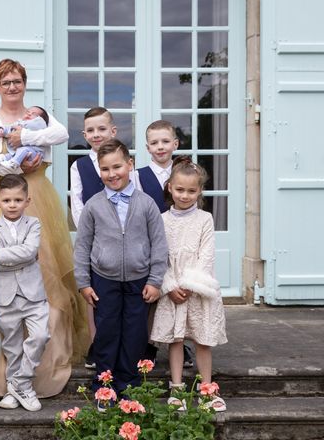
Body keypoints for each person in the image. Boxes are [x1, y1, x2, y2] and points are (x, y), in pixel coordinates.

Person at [0, 58, 88, 406]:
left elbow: (60, 135)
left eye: (17, 81)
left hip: (35, 199)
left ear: (25, 83)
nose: (12, 87)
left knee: (43, 280)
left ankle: (35, 372)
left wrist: (28, 137)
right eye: (5, 82)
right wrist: (14, 161)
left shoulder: (38, 116)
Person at [73, 139, 168, 406]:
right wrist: (83, 282)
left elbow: (159, 245)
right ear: (99, 171)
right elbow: (82, 246)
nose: (112, 174)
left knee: (135, 335)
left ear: (130, 164)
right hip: (104, 280)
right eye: (105, 169)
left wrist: (155, 280)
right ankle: (104, 387)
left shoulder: (147, 204)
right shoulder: (93, 205)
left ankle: (128, 386)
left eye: (117, 167)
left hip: (139, 281)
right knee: (106, 334)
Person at [150, 156, 227, 412]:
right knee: (176, 339)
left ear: (199, 191)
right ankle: (177, 389)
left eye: (191, 191)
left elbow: (207, 255)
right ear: (170, 187)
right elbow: (159, 257)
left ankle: (206, 388)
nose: (185, 195)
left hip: (198, 291)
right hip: (173, 292)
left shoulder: (205, 219)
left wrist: (190, 285)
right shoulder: (161, 220)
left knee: (202, 340)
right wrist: (170, 286)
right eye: (180, 189)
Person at [0, 174, 49, 411]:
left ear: (27, 201)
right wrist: (24, 257)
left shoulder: (34, 224)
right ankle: (17, 389)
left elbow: (30, 250)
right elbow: (25, 255)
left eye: (17, 200)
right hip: (5, 295)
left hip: (33, 294)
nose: (12, 205)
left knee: (41, 336)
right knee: (12, 346)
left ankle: (20, 383)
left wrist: (0, 255)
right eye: (7, 200)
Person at [134, 120, 194, 367]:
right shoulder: (138, 176)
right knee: (151, 296)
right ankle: (147, 344)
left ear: (175, 144)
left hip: (180, 243)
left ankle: (180, 344)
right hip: (149, 243)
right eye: (155, 143)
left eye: (165, 142)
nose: (160, 147)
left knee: (178, 295)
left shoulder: (183, 175)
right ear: (147, 147)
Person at [69, 107, 118, 370]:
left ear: (113, 131)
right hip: (91, 237)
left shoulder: (122, 160)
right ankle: (96, 342)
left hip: (119, 238)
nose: (96, 134)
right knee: (92, 291)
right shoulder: (79, 165)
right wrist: (88, 231)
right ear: (84, 134)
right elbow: (76, 201)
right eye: (91, 130)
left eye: (102, 129)